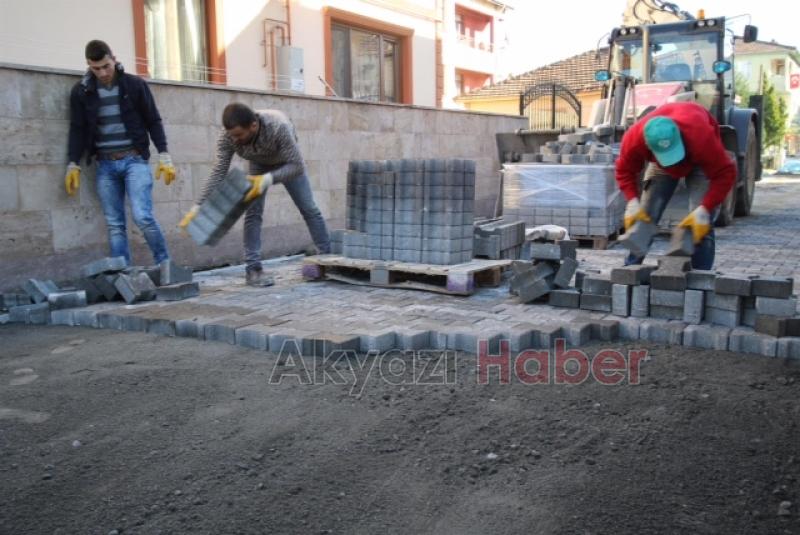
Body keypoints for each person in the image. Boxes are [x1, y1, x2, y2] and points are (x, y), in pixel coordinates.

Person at [179, 103, 330, 287]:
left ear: (253, 125)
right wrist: (199, 206)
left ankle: (326, 259)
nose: (234, 140)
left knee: (309, 208)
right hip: (258, 164)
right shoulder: (228, 136)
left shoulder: (278, 126)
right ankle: (253, 270)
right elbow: (219, 171)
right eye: (232, 136)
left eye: (239, 135)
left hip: (287, 163)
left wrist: (267, 180)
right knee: (253, 213)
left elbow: (297, 166)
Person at [65, 39, 176, 265]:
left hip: (134, 160)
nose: (103, 73)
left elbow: (153, 120)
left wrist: (164, 154)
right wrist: (73, 162)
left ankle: (165, 265)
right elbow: (77, 128)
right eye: (96, 68)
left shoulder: (134, 85)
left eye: (106, 66)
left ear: (113, 59)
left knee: (143, 217)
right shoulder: (81, 92)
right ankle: (121, 273)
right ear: (89, 66)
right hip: (105, 165)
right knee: (115, 224)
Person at [616, 101, 736, 270]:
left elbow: (726, 173)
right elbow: (624, 171)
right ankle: (630, 270)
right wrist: (631, 201)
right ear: (648, 146)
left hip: (698, 161)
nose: (674, 164)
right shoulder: (634, 139)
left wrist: (705, 208)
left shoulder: (701, 137)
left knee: (700, 224)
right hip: (660, 165)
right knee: (645, 215)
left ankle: (701, 278)